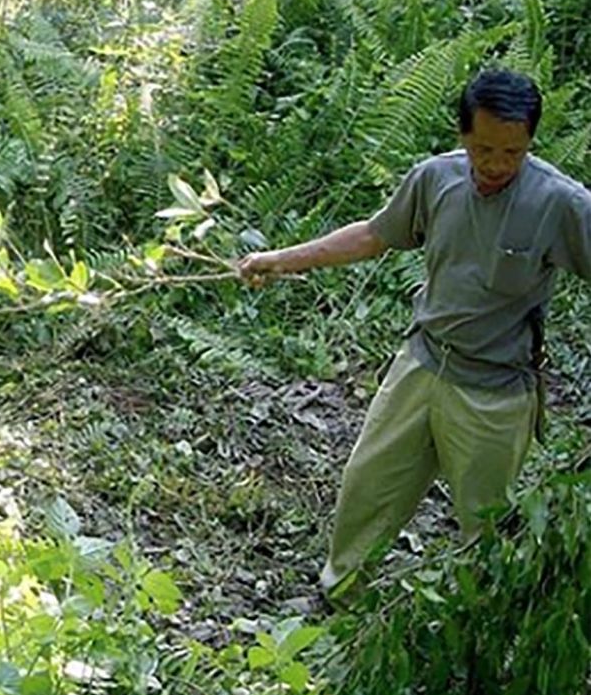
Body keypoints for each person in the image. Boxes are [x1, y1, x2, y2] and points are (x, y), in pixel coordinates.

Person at [238, 67, 591, 595]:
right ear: (463, 136)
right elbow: (374, 236)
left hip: (494, 391)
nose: (496, 165)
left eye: (512, 153)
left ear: (530, 143)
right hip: (421, 364)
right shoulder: (436, 179)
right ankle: (342, 600)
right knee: (368, 486)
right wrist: (283, 259)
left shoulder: (561, 203)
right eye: (483, 149)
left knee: (487, 526)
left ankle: (479, 629)